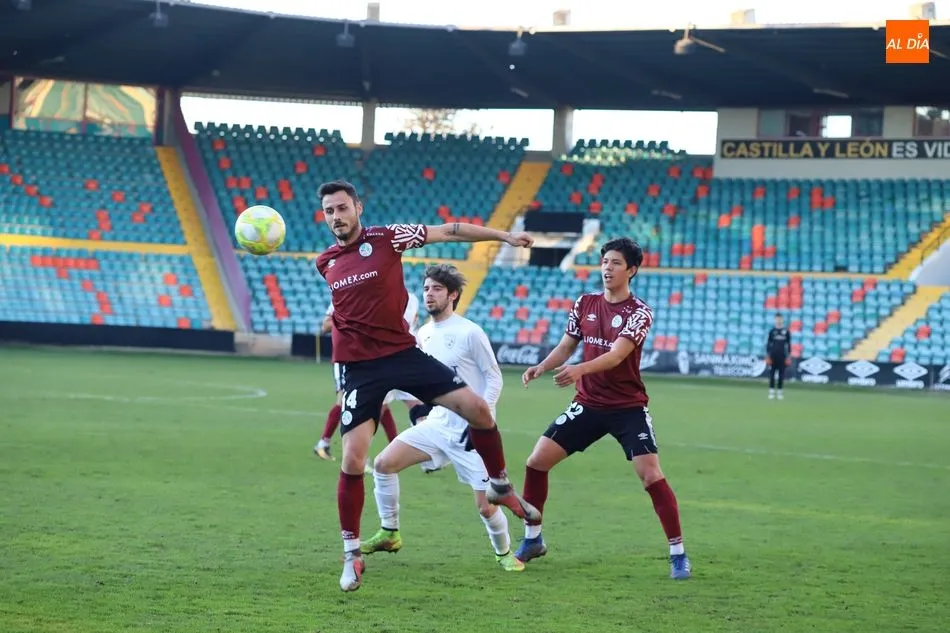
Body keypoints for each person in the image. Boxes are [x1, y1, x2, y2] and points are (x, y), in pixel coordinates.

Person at [314, 179, 540, 592]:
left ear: (357, 208)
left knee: (479, 411)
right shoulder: (325, 262)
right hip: (360, 370)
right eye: (329, 211)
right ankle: (351, 555)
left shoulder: (388, 237)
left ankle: (502, 487)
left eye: (342, 208)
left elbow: (451, 230)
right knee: (353, 460)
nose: (336, 217)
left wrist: (504, 236)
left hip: (403, 354)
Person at [519, 237, 692, 580]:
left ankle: (678, 553)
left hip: (627, 408)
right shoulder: (585, 303)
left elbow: (616, 356)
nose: (607, 268)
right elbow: (567, 346)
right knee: (536, 462)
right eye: (604, 262)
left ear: (632, 270)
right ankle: (533, 539)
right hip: (588, 405)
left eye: (615, 263)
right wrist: (541, 366)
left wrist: (579, 371)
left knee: (651, 474)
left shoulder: (639, 312)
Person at [361, 264, 524, 572]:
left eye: (436, 289)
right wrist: (416, 413)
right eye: (426, 289)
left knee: (486, 506)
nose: (429, 295)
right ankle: (390, 531)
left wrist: (483, 417)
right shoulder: (422, 334)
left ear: (453, 295)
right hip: (437, 424)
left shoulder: (470, 332)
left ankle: (504, 554)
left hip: (471, 432)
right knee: (383, 464)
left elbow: (494, 378)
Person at [313, 298, 412, 462]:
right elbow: (325, 326)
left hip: (368, 357)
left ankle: (395, 447)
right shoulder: (342, 295)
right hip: (346, 357)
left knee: (382, 404)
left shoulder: (373, 294)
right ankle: (325, 444)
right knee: (344, 401)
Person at [765, 313, 792, 400]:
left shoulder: (786, 331)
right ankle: (771, 391)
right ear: (775, 320)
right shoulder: (772, 331)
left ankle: (780, 392)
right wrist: (768, 355)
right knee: (772, 374)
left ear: (782, 320)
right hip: (773, 356)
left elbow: (788, 344)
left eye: (780, 319)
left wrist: (789, 356)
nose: (778, 320)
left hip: (782, 356)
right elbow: (769, 344)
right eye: (777, 319)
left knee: (781, 375)